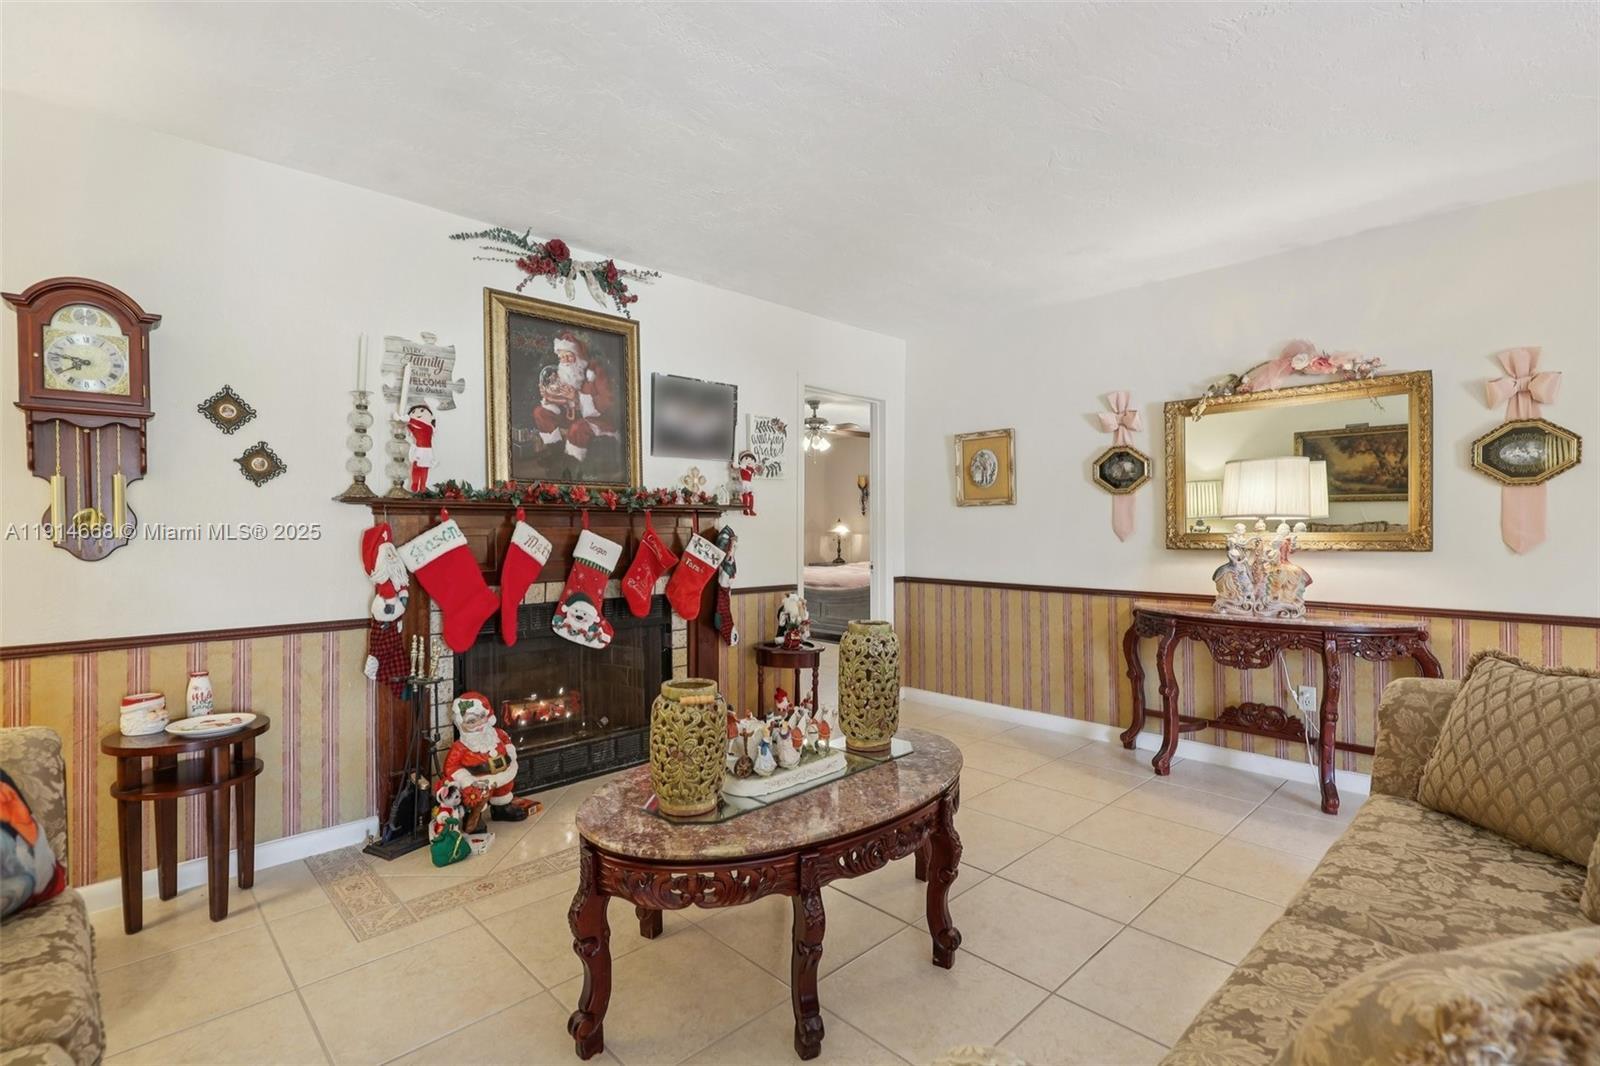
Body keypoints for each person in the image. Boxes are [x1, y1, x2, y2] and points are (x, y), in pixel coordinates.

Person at [531, 331, 616, 462]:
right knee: (540, 412)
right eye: (561, 357)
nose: (565, 361)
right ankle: (554, 451)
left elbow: (607, 401)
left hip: (594, 418)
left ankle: (572, 461)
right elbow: (561, 399)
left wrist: (576, 398)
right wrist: (549, 396)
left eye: (568, 356)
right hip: (569, 416)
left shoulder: (594, 371)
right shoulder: (563, 374)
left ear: (577, 356)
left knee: (577, 428)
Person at [403, 402, 435, 493]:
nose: (417, 413)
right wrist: (407, 424)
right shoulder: (418, 428)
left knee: (424, 468)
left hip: (426, 451)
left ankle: (423, 485)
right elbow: (415, 430)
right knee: (416, 466)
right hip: (418, 449)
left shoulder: (429, 428)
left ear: (431, 416)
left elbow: (420, 425)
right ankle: (415, 482)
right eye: (413, 412)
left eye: (422, 411)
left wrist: (409, 419)